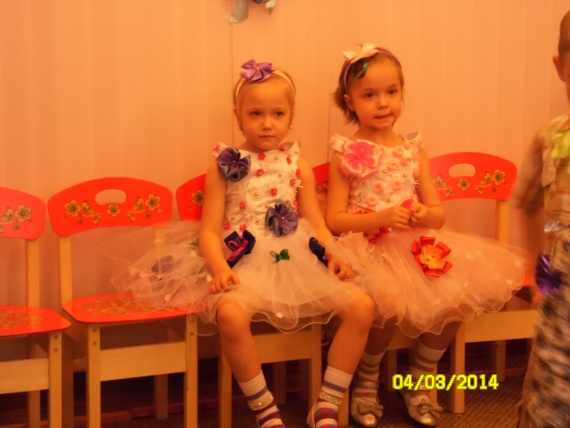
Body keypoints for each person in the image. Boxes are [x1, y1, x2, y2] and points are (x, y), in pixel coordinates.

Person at [108, 59, 374, 428]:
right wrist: (219, 268)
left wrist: (334, 253)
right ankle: (266, 411)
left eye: (278, 114)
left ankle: (327, 403)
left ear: (290, 116)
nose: (267, 123)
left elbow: (317, 224)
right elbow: (208, 231)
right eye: (256, 114)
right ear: (238, 115)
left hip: (297, 255)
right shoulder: (226, 166)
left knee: (362, 306)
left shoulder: (298, 165)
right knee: (231, 314)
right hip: (244, 258)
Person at [325, 44, 525, 427]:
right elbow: (334, 220)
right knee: (386, 301)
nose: (383, 103)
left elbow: (438, 213)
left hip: (417, 247)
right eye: (370, 95)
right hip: (367, 248)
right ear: (350, 101)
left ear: (402, 92)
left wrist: (422, 214)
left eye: (392, 92)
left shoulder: (414, 151)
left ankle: (418, 379)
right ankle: (366, 381)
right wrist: (381, 217)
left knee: (457, 299)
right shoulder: (345, 154)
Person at [515, 9, 570, 428]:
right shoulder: (549, 138)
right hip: (562, 300)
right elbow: (529, 203)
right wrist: (540, 275)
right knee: (551, 396)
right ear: (560, 66)